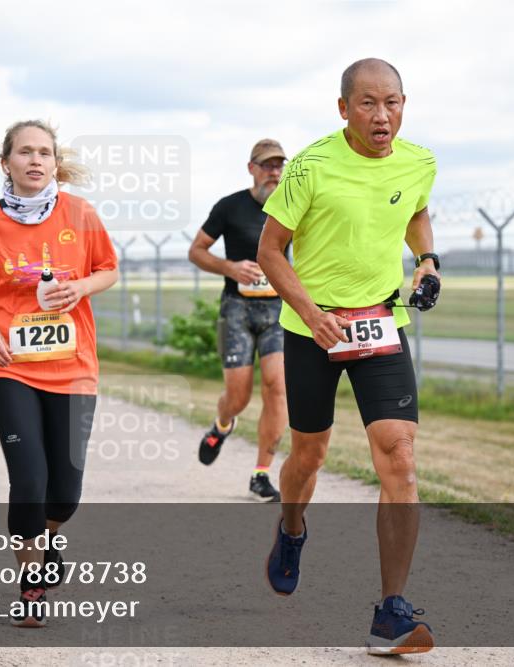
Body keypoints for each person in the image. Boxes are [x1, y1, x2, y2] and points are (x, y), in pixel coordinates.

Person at [256, 58, 440, 655]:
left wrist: (428, 261)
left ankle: (391, 613)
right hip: (313, 331)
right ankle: (291, 528)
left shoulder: (420, 161)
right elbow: (270, 249)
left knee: (401, 458)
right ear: (343, 109)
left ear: (404, 104)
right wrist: (313, 316)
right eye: (367, 103)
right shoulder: (310, 166)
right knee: (308, 457)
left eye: (391, 102)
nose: (381, 114)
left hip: (381, 324)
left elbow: (413, 208)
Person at [0, 120, 119, 627]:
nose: (35, 160)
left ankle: (47, 536)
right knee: (30, 478)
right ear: (6, 163)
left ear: (55, 163)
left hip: (74, 369)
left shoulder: (79, 214)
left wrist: (81, 287)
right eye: (25, 152)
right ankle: (31, 587)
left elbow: (109, 268)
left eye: (44, 152)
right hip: (9, 369)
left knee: (65, 491)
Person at [188, 138, 288, 502]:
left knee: (277, 387)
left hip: (279, 310)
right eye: (266, 166)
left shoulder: (292, 207)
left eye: (278, 165)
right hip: (238, 309)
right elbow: (196, 250)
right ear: (251, 169)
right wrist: (230, 267)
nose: (273, 172)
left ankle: (260, 474)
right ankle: (223, 423)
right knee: (239, 396)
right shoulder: (230, 207)